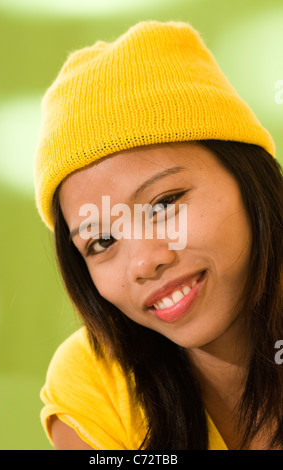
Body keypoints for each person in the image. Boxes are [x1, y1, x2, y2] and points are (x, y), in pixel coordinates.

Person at [34, 20, 283, 450]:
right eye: (102, 242)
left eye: (165, 204)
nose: (146, 261)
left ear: (248, 178)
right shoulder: (96, 383)